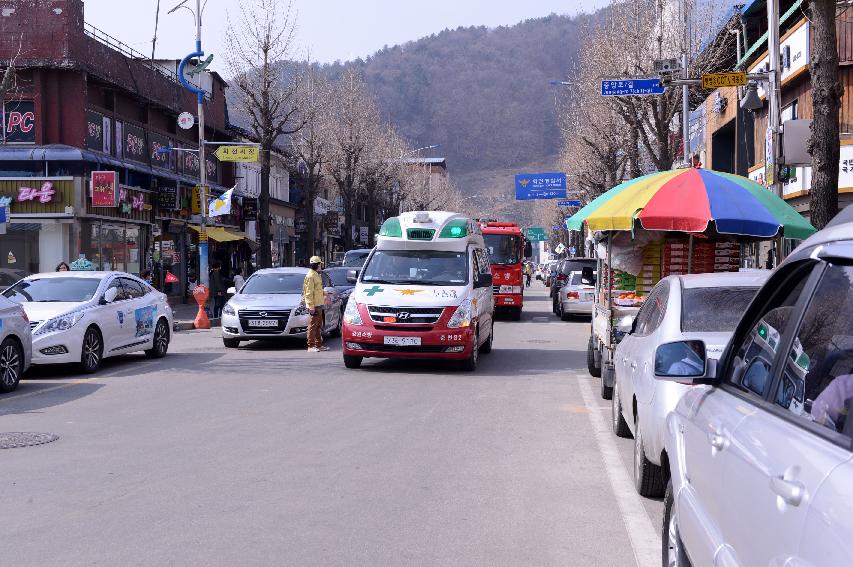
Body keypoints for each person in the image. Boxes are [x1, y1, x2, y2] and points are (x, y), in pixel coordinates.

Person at [303, 255, 328, 352]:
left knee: (318, 326)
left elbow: (318, 289)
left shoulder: (316, 274)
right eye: (320, 264)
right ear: (317, 265)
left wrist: (325, 294)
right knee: (312, 326)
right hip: (315, 305)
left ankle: (318, 345)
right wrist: (310, 306)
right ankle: (311, 346)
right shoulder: (311, 276)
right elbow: (308, 292)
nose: (321, 266)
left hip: (319, 303)